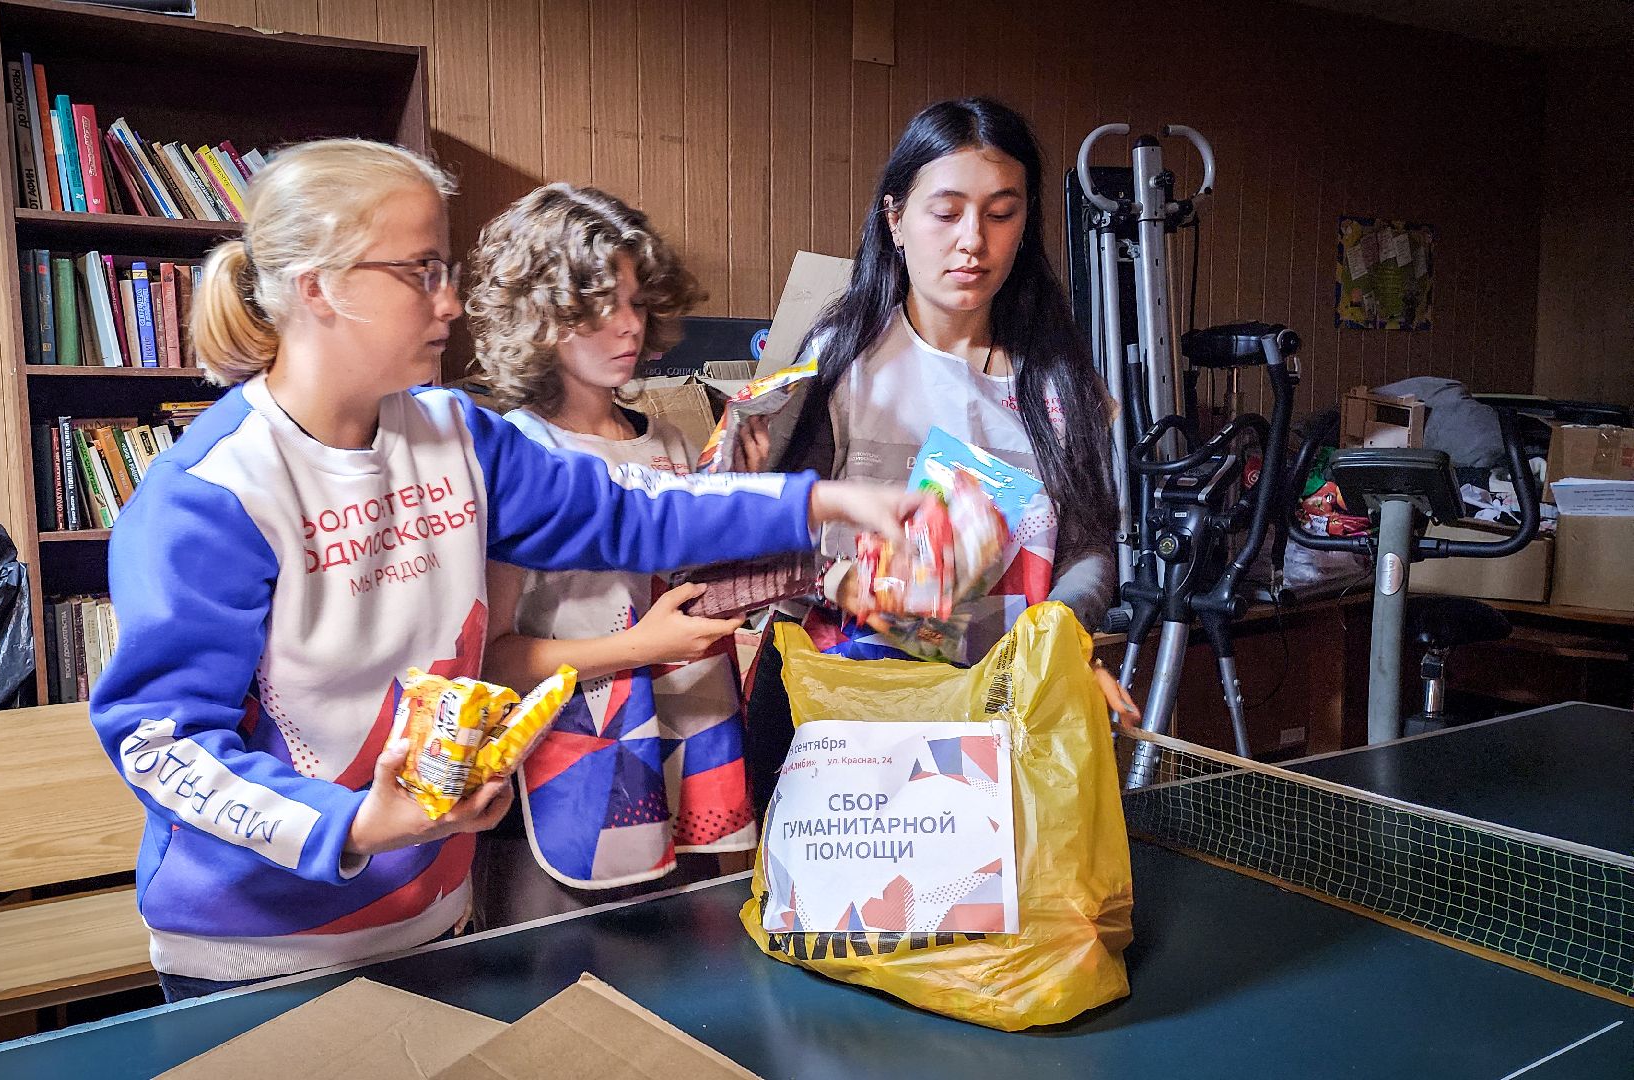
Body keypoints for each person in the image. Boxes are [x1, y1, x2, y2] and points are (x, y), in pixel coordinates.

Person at [87, 139, 908, 1001]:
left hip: (432, 914)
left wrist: (823, 504)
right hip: (261, 948)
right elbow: (161, 740)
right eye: (421, 270)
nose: (451, 301)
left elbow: (631, 512)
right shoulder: (212, 494)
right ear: (317, 287)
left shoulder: (455, 436)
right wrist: (358, 823)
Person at [744, 97, 1127, 806]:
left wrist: (1060, 641)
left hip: (994, 708)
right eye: (946, 212)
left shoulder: (1061, 382)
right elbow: (756, 531)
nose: (972, 241)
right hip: (840, 706)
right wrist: (842, 584)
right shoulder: (840, 363)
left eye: (1001, 212)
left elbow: (1088, 545)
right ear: (895, 218)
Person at [465, 184, 752, 926]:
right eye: (601, 306)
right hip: (576, 772)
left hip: (694, 747)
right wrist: (641, 645)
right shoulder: (520, 453)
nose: (630, 326)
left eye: (637, 302)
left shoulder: (674, 441)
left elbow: (701, 593)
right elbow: (492, 660)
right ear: (540, 312)